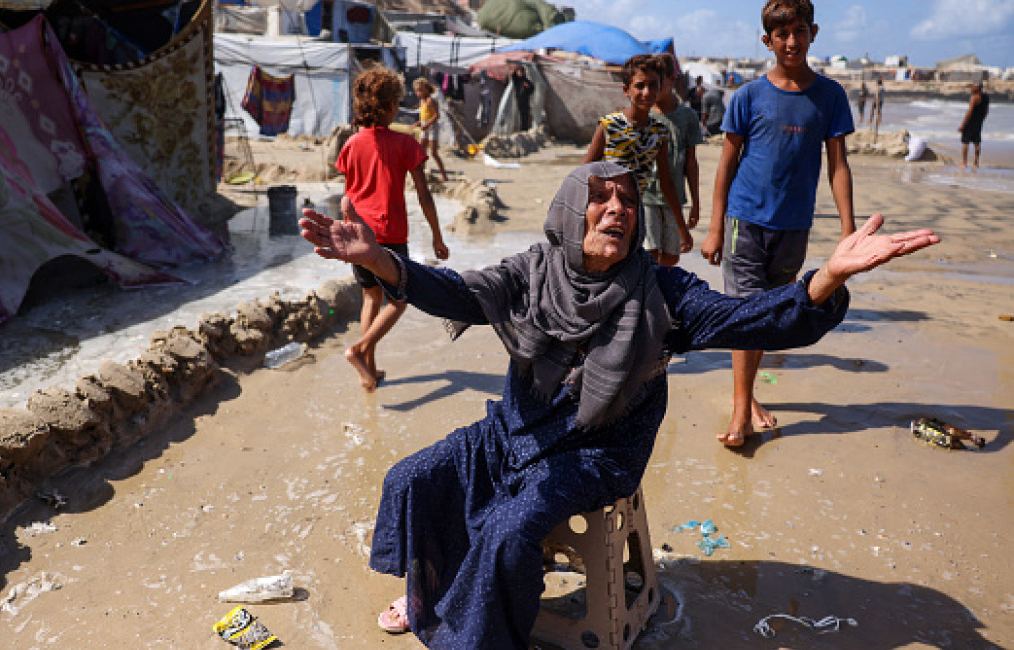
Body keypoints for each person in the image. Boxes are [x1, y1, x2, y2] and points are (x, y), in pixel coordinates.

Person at [298, 161, 938, 649]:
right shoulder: (533, 270)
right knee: (411, 476)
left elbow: (751, 319)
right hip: (514, 432)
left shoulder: (663, 291)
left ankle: (482, 634)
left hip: (600, 455)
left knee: (510, 527)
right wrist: (380, 258)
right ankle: (431, 589)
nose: (616, 210)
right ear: (570, 210)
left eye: (628, 201)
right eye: (599, 199)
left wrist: (824, 280)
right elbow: (459, 292)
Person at [700, 0, 857, 447]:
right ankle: (740, 410)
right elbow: (726, 165)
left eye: (799, 31)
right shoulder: (748, 95)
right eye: (781, 34)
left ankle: (747, 396)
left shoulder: (829, 96)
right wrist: (714, 227)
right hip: (745, 220)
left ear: (813, 33)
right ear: (767, 41)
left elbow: (839, 166)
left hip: (794, 226)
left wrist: (848, 232)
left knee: (768, 314)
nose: (792, 41)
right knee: (745, 313)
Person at [333, 67, 450, 391]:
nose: (399, 108)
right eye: (397, 102)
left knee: (370, 297)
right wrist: (438, 237)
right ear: (387, 107)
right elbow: (424, 195)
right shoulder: (405, 143)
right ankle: (359, 350)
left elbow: (350, 191)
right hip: (388, 235)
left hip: (356, 235)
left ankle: (368, 370)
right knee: (399, 301)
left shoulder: (352, 144)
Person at [583, 53, 693, 259]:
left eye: (653, 85)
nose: (647, 92)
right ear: (626, 90)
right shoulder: (609, 126)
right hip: (604, 212)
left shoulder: (659, 133)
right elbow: (584, 173)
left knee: (633, 262)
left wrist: (681, 225)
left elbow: (666, 182)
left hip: (632, 212)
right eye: (640, 86)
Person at [642, 52, 702, 267]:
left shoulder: (687, 117)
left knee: (671, 256)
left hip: (675, 198)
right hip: (645, 197)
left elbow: (691, 163)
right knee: (648, 254)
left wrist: (696, 202)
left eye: (657, 83)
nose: (651, 91)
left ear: (671, 80)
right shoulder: (643, 114)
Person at [412, 78, 449, 182]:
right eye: (416, 91)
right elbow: (424, 116)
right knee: (421, 150)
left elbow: (436, 115)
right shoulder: (422, 101)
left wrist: (426, 125)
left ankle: (443, 174)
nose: (418, 93)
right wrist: (418, 123)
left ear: (426, 90)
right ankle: (422, 172)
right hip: (425, 126)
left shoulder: (430, 100)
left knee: (433, 152)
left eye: (420, 90)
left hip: (432, 127)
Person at [958, 82, 990, 170]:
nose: (971, 88)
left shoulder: (974, 97)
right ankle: (976, 164)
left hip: (970, 122)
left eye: (973, 87)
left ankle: (964, 163)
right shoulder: (986, 97)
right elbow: (986, 111)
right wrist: (981, 119)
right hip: (979, 122)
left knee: (965, 142)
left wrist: (962, 125)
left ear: (978, 88)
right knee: (977, 142)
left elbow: (970, 112)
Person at [511, 66, 535, 131]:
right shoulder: (516, 80)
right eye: (518, 72)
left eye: (521, 72)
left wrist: (528, 87)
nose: (519, 73)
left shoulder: (526, 80)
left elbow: (532, 88)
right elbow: (512, 78)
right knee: (517, 115)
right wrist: (513, 71)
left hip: (525, 100)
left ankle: (524, 128)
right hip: (517, 100)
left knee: (525, 115)